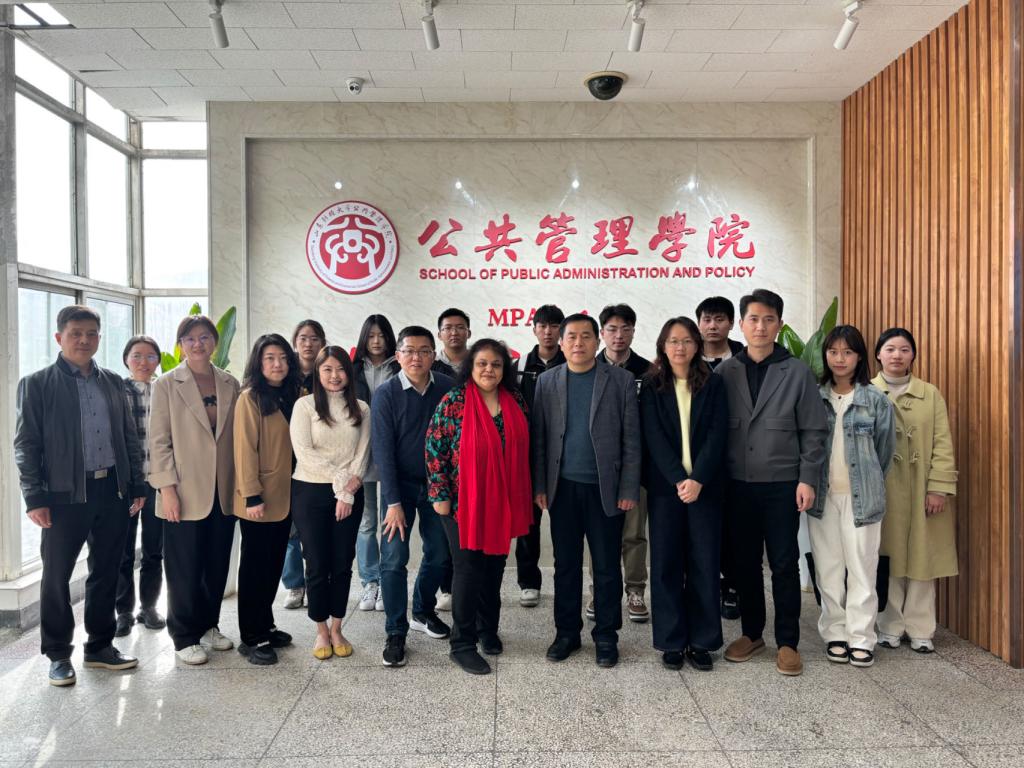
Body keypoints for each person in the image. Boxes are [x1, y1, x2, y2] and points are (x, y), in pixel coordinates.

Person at [14, 305, 146, 686]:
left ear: (99, 338)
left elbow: (128, 438)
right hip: (63, 495)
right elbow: (26, 445)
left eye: (91, 334)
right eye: (75, 333)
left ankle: (99, 647)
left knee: (106, 571)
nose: (84, 340)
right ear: (59, 337)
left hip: (112, 491)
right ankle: (58, 654)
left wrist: (136, 485)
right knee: (56, 576)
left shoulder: (113, 383)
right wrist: (34, 497)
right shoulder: (37, 384)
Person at [715, 289, 829, 677]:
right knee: (744, 563)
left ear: (779, 324)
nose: (760, 327)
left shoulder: (796, 371)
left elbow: (814, 430)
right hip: (737, 484)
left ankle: (787, 642)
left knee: (783, 563)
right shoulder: (725, 372)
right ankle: (752, 634)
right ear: (741, 324)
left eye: (768, 320)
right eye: (753, 319)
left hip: (782, 484)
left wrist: (807, 479)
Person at [531, 313, 641, 668]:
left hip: (605, 489)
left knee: (607, 566)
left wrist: (628, 487)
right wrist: (540, 485)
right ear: (561, 343)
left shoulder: (621, 381)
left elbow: (631, 440)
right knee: (565, 566)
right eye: (572, 337)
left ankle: (606, 636)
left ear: (597, 341)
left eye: (586, 336)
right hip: (562, 489)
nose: (578, 343)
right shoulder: (547, 381)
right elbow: (540, 439)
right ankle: (566, 633)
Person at [426, 339, 533, 675]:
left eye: (496, 364)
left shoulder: (514, 400)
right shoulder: (454, 402)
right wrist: (440, 494)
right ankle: (462, 643)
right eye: (482, 363)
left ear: (505, 369)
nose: (489, 370)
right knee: (469, 568)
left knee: (495, 566)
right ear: (470, 367)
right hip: (461, 503)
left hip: (503, 500)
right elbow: (434, 448)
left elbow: (526, 447)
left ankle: (488, 630)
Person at [150, 314, 240, 666]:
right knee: (184, 566)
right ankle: (184, 635)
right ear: (180, 345)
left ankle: (208, 625)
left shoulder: (230, 383)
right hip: (183, 490)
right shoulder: (167, 384)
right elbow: (158, 441)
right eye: (190, 339)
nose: (198, 344)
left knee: (216, 564)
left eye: (204, 337)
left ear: (214, 342)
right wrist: (167, 489)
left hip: (223, 489)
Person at [639, 317, 728, 671]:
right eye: (673, 341)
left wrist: (698, 479)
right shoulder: (651, 385)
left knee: (705, 563)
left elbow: (718, 434)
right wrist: (679, 479)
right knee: (666, 565)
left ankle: (703, 641)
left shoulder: (714, 383)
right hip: (666, 490)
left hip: (706, 488)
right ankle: (671, 641)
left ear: (697, 345)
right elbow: (653, 437)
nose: (680, 347)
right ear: (663, 345)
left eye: (687, 341)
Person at [808, 325, 895, 668]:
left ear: (859, 357)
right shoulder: (815, 398)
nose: (839, 359)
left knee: (862, 568)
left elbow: (884, 453)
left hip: (863, 498)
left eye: (847, 352)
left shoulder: (875, 400)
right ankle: (835, 634)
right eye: (833, 352)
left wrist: (867, 483)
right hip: (823, 497)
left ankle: (861, 637)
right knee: (828, 568)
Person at [372, 325, 455, 667]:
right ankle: (395, 631)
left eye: (424, 351)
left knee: (440, 553)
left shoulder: (448, 388)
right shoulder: (386, 393)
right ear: (398, 355)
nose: (416, 357)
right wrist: (393, 503)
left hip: (438, 486)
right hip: (399, 488)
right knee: (394, 558)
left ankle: (422, 610)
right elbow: (383, 451)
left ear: (434, 355)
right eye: (409, 350)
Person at [872, 328, 958, 654]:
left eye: (904, 349)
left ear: (913, 356)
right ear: (878, 354)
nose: (897, 355)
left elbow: (942, 442)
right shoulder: (868, 392)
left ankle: (921, 629)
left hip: (923, 486)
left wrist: (939, 488)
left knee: (924, 558)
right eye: (890, 349)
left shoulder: (930, 394)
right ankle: (889, 626)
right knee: (888, 557)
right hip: (884, 488)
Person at [290, 346, 371, 660]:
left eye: (340, 369)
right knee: (316, 562)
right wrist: (342, 485)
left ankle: (337, 627)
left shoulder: (361, 408)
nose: (334, 375)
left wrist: (348, 492)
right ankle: (321, 630)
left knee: (342, 562)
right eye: (327, 369)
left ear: (348, 373)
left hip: (350, 493)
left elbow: (362, 455)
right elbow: (304, 453)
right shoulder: (304, 406)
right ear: (318, 372)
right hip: (310, 491)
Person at [232, 333, 300, 666]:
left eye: (283, 358)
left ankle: (266, 624)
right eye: (270, 358)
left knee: (273, 565)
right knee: (254, 568)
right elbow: (244, 449)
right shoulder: (250, 398)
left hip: (286, 496)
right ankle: (251, 636)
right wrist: (251, 495)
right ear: (259, 363)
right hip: (259, 498)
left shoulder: (293, 395)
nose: (278, 364)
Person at [595, 303, 652, 624]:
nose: (619, 335)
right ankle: (600, 590)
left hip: (635, 467)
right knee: (599, 535)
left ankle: (635, 590)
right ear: (602, 333)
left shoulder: (649, 371)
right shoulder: (587, 366)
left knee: (633, 534)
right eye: (612, 329)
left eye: (625, 329)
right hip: (598, 468)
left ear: (633, 332)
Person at [514, 303, 566, 608]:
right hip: (527, 457)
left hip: (562, 456)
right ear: (534, 329)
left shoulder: (571, 362)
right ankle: (528, 582)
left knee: (564, 524)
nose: (548, 332)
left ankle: (565, 579)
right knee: (528, 524)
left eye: (554, 326)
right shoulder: (519, 366)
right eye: (543, 326)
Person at [696, 295, 745, 621]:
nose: (712, 326)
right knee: (701, 528)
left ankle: (732, 586)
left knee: (733, 528)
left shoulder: (744, 358)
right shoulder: (686, 357)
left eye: (719, 319)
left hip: (736, 459)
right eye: (707, 319)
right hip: (696, 462)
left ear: (731, 323)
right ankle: (704, 585)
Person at [115, 335, 166, 638]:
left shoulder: (165, 390)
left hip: (158, 482)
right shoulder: (116, 391)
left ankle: (149, 607)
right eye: (136, 356)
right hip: (127, 484)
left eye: (150, 356)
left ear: (158, 360)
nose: (143, 362)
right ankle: (123, 611)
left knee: (153, 550)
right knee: (123, 551)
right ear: (126, 360)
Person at [352, 314, 398, 613]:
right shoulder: (352, 368)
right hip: (362, 451)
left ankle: (387, 582)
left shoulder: (400, 366)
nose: (377, 341)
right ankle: (370, 581)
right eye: (371, 336)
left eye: (381, 335)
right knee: (367, 522)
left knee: (390, 519)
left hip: (392, 451)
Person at [281, 320, 327, 611]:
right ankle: (294, 584)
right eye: (303, 338)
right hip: (287, 458)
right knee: (290, 527)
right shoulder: (285, 375)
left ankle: (316, 581)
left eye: (314, 338)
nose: (308, 344)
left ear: (322, 342)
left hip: (320, 459)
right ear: (295, 342)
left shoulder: (327, 373)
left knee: (314, 526)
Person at [436, 308, 472, 373]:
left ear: (469, 333)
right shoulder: (431, 365)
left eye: (460, 327)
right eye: (448, 328)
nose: (454, 333)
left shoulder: (479, 362)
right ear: (439, 335)